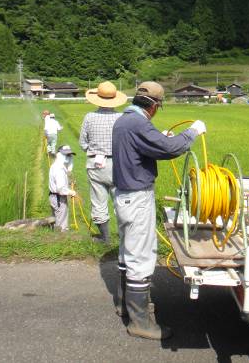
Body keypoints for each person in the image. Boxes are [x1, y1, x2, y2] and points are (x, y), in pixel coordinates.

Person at [112, 81, 206, 340]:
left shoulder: (124, 120)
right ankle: (140, 323)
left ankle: (125, 306)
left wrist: (158, 138)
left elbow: (145, 146)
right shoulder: (139, 123)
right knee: (140, 258)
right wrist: (193, 132)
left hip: (124, 196)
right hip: (137, 198)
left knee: (127, 253)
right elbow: (171, 149)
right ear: (154, 106)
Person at [79, 81, 127, 244]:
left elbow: (82, 143)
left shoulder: (89, 117)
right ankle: (125, 238)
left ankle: (105, 238)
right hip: (118, 165)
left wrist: (93, 150)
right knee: (121, 201)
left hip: (96, 164)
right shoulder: (122, 117)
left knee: (98, 201)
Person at [48, 145, 76, 231]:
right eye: (66, 155)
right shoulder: (59, 169)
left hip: (54, 197)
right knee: (61, 225)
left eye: (70, 155)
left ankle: (55, 235)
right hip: (58, 198)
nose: (69, 157)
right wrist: (72, 192)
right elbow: (61, 189)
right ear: (60, 155)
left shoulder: (57, 166)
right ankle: (61, 238)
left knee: (57, 220)